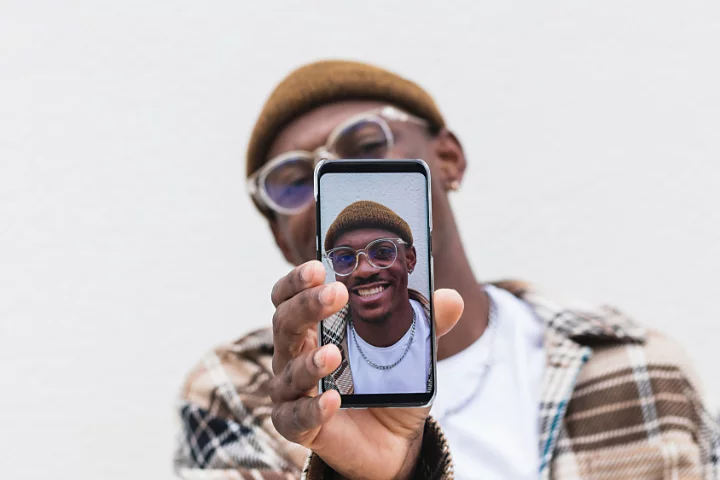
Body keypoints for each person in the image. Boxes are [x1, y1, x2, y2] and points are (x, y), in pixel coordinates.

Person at [174, 60, 720, 479]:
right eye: (292, 182)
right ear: (280, 232)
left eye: (365, 142)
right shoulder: (236, 392)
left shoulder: (638, 361)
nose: (331, 170)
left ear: (448, 158)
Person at [321, 200, 432, 395]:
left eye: (382, 253)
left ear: (410, 259)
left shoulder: (443, 334)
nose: (364, 270)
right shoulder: (319, 348)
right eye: (345, 258)